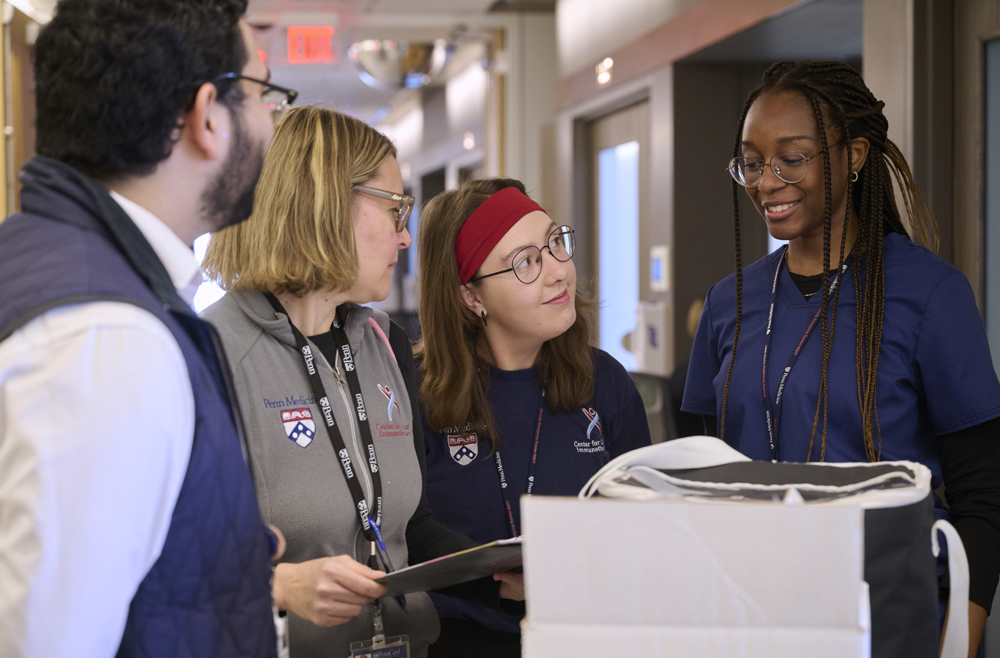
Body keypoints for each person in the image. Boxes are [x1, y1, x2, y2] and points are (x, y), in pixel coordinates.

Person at [0, 1, 294, 656]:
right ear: (207, 116)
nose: (272, 120)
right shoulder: (105, 339)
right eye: (263, 94)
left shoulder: (72, 274)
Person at [681, 61, 1000, 657]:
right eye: (751, 162)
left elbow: (985, 500)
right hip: (750, 614)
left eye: (792, 157)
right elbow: (699, 475)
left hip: (892, 616)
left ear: (853, 156)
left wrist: (955, 642)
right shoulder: (730, 303)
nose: (765, 181)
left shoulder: (928, 294)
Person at [201, 105, 523, 658]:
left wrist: (507, 581)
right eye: (397, 210)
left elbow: (407, 529)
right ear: (324, 206)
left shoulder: (386, 342)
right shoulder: (211, 355)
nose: (406, 239)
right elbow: (174, 559)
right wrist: (278, 588)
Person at [415, 178, 652, 656]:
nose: (558, 272)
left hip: (585, 635)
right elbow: (403, 533)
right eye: (525, 262)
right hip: (457, 640)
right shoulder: (416, 394)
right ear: (471, 297)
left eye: (555, 244)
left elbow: (644, 523)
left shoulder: (604, 382)